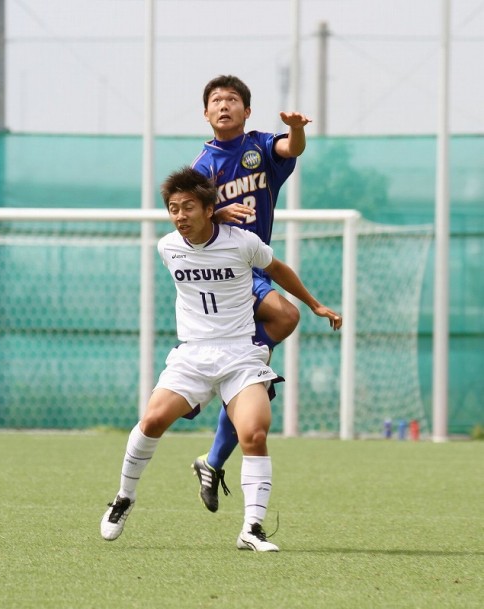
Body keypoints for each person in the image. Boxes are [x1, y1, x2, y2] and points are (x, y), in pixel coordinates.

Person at [100, 167, 342, 552]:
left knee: (255, 433)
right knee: (151, 420)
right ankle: (124, 497)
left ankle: (252, 529)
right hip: (192, 354)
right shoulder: (167, 247)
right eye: (173, 209)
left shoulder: (243, 243)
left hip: (240, 355)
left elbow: (277, 269)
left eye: (188, 208)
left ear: (209, 209)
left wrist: (314, 305)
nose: (180, 216)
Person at [190, 75, 334, 512]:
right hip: (226, 273)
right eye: (216, 100)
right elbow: (190, 223)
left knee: (251, 394)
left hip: (254, 267)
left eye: (233, 100)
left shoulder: (259, 147)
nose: (225, 105)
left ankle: (211, 461)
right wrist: (216, 211)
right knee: (286, 317)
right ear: (206, 113)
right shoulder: (201, 168)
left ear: (247, 111)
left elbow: (291, 149)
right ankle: (223, 366)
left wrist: (297, 128)